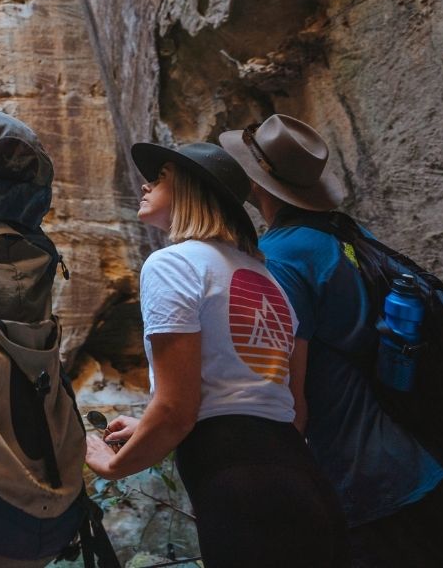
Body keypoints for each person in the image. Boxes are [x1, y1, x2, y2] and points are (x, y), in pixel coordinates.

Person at [83, 140, 349, 568]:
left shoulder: (172, 264)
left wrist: (113, 466)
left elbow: (175, 410)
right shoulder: (268, 280)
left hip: (239, 491)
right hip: (303, 479)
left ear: (192, 190)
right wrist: (150, 424)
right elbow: (289, 408)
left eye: (162, 176)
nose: (146, 184)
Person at [219, 114, 443, 567]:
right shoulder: (345, 233)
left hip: (369, 479)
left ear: (254, 182)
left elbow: (290, 402)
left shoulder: (282, 258)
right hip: (422, 455)